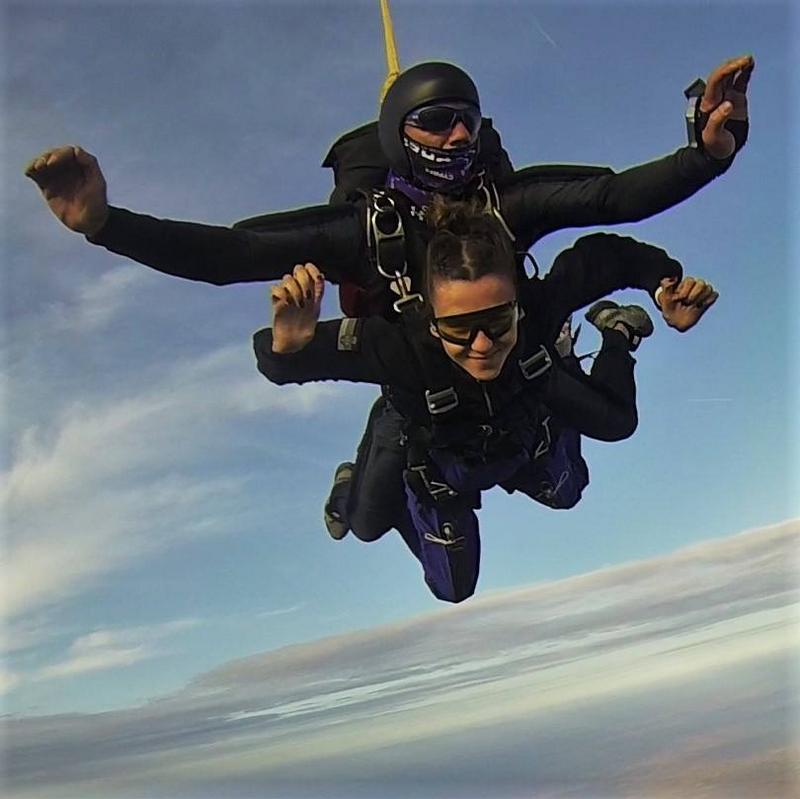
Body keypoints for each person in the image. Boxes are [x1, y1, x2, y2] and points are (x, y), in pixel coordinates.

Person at [23, 55, 751, 540]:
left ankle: (556, 398)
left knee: (596, 440)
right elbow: (232, 254)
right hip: (416, 372)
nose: (457, 133)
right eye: (436, 120)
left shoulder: (506, 204)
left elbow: (612, 197)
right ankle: (382, 464)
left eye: (467, 119)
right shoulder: (368, 232)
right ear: (399, 136)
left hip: (518, 354)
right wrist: (105, 224)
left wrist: (707, 153)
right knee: (369, 523)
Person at [253, 199, 717, 602]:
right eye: (458, 329)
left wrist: (663, 285)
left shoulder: (538, 306)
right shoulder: (402, 347)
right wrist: (287, 346)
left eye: (497, 322)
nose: (481, 344)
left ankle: (617, 332)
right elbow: (284, 361)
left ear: (517, 304)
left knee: (588, 462)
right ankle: (362, 461)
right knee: (391, 543)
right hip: (442, 461)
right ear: (432, 319)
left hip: (518, 434)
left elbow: (609, 258)